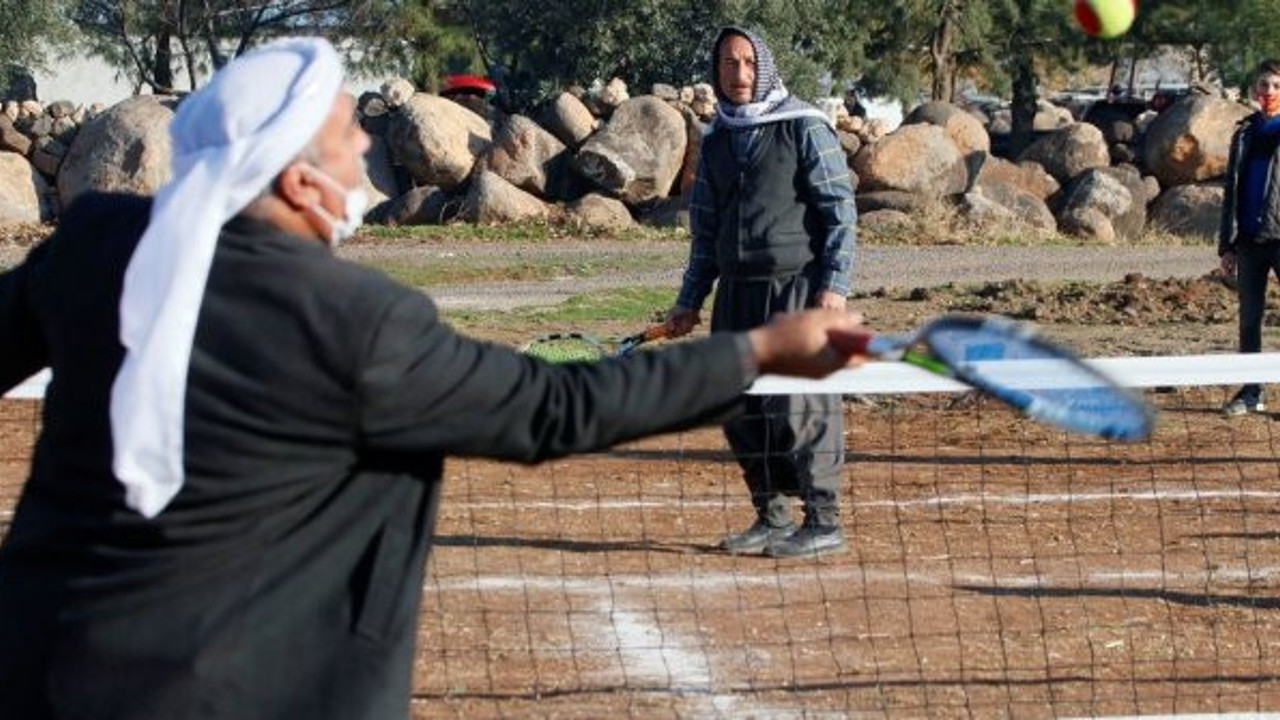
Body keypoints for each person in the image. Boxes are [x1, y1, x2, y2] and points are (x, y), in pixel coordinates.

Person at [0, 38, 868, 718]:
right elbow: (557, 409)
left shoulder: (97, 246)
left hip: (34, 667)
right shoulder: (356, 321)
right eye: (350, 133)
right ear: (301, 181)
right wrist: (756, 351)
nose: (369, 146)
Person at [665, 26, 858, 558]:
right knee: (740, 408)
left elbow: (840, 213)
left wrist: (833, 288)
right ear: (717, 71)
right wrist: (690, 301)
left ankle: (823, 521)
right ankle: (771, 516)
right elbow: (705, 232)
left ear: (765, 67)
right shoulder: (718, 138)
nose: (740, 75)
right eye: (729, 64)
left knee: (802, 405)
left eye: (749, 63)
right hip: (736, 295)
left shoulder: (803, 127)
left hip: (796, 290)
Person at [1219, 58, 1280, 416]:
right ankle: (1251, 391)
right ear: (1254, 90)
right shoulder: (1243, 133)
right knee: (1249, 319)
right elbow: (1232, 191)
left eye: (1275, 85)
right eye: (1263, 85)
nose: (1268, 91)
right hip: (1249, 242)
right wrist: (1227, 244)